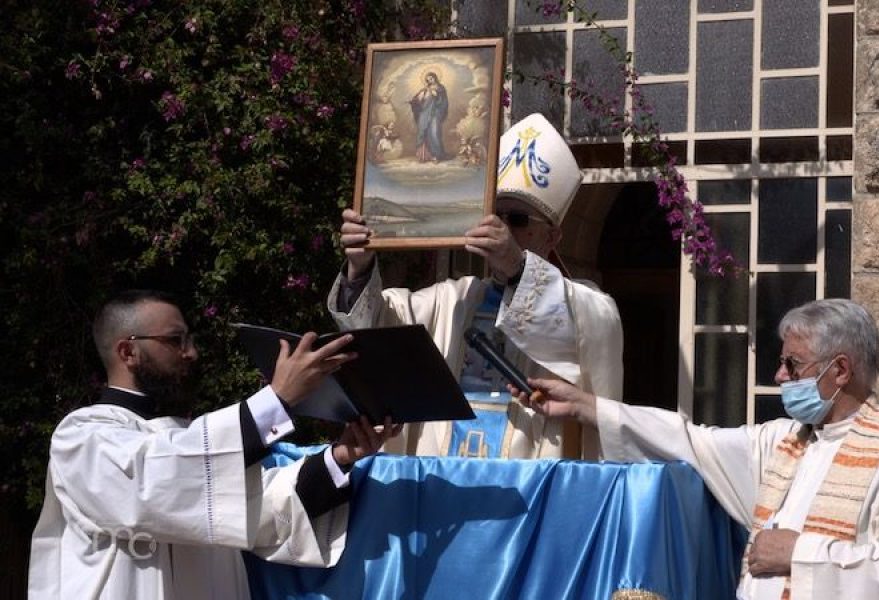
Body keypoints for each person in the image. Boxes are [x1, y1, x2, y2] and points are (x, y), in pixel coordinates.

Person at [514, 298, 879, 599]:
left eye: (792, 364)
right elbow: (688, 440)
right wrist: (583, 406)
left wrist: (799, 553)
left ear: (840, 370)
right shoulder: (783, 441)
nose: (780, 376)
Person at [29, 289, 400, 599]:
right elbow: (152, 485)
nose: (191, 353)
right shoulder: (80, 437)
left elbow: (267, 513)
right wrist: (276, 401)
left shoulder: (187, 442)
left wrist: (340, 457)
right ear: (128, 352)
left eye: (190, 340)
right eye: (176, 340)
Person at [328, 113, 624, 459]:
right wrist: (360, 266)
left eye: (516, 220)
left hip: (528, 489)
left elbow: (597, 327)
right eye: (494, 215)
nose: (500, 229)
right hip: (443, 481)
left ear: (552, 236)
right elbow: (375, 328)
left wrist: (517, 266)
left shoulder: (583, 303)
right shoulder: (454, 299)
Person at [409, 71, 448, 162]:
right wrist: (415, 101)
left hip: (434, 113)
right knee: (423, 132)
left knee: (434, 133)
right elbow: (419, 100)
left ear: (435, 77)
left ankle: (436, 155)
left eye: (431, 78)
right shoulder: (425, 89)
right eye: (428, 79)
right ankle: (425, 156)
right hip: (424, 113)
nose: (430, 80)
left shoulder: (440, 88)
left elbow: (444, 102)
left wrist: (437, 96)